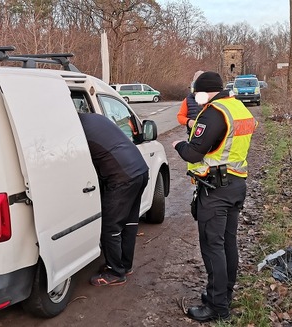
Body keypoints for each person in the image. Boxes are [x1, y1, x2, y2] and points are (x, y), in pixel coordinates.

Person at [171, 71, 257, 322]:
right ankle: (224, 293)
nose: (196, 98)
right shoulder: (238, 108)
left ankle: (217, 305)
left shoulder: (213, 112)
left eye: (197, 92)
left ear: (204, 91)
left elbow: (193, 153)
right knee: (228, 242)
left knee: (212, 246)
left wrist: (178, 145)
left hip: (216, 190)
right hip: (236, 184)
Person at [78, 113, 150, 286]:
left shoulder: (76, 130)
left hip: (122, 177)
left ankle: (115, 272)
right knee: (129, 223)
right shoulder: (93, 118)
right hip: (140, 170)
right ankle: (125, 265)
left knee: (111, 226)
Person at [176, 70, 205, 135]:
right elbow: (180, 116)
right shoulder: (187, 100)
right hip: (193, 134)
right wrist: (189, 121)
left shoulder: (212, 99)